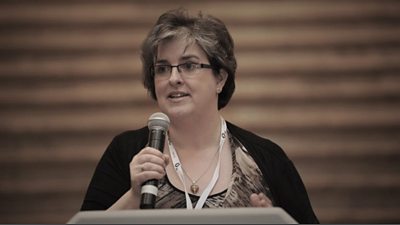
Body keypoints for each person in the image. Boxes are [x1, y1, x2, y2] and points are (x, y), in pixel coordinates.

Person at [80, 8, 319, 223]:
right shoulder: (127, 151)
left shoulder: (266, 158)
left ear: (220, 78)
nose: (173, 78)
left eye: (189, 65)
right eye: (162, 68)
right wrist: (133, 196)